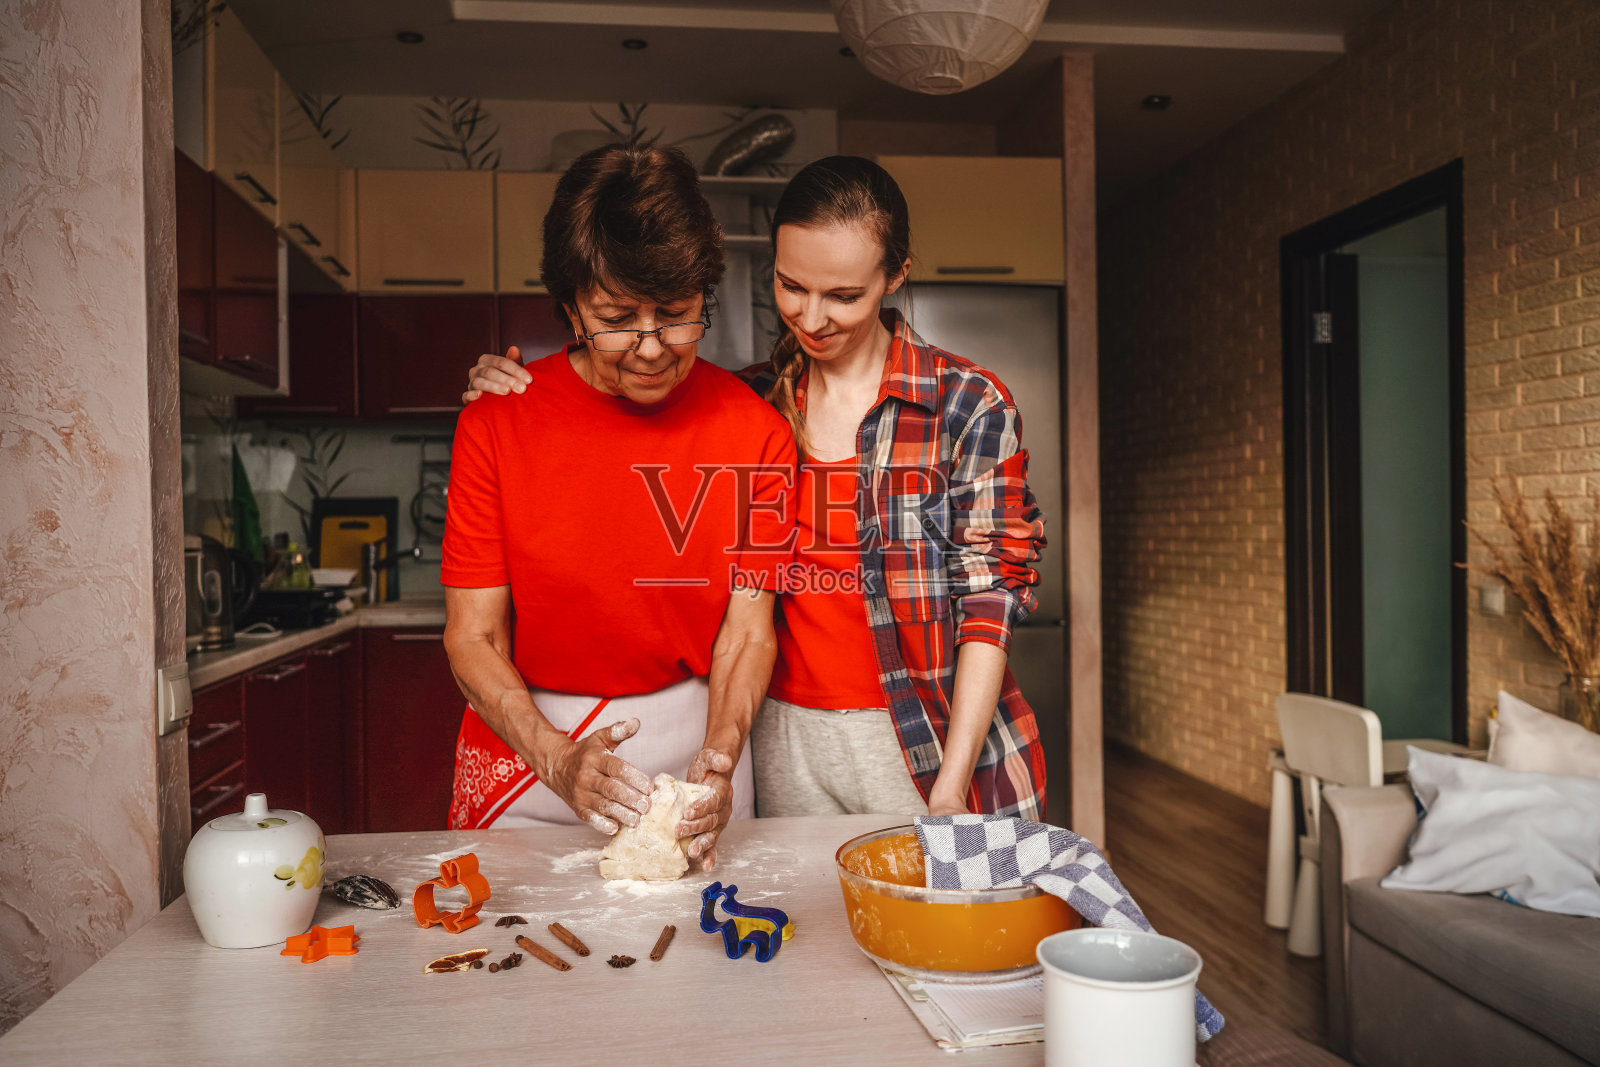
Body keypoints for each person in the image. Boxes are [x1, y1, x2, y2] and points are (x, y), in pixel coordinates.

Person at [464, 155, 1048, 821]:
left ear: (895, 277)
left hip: (920, 734)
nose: (813, 317)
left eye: (844, 296)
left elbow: (988, 600)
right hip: (782, 736)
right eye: (791, 285)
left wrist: (951, 782)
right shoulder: (756, 399)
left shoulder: (963, 404)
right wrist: (510, 391)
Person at [442, 143, 796, 870]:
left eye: (675, 314)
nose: (649, 348)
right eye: (615, 317)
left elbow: (747, 630)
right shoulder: (496, 421)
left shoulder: (755, 431)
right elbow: (471, 636)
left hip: (691, 752)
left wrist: (721, 757)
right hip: (525, 757)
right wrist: (557, 759)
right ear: (571, 306)